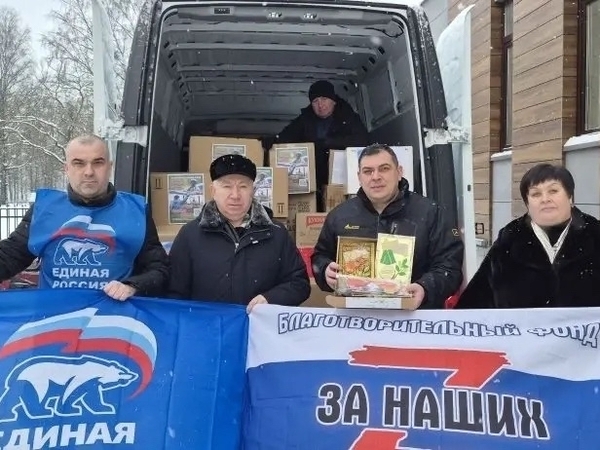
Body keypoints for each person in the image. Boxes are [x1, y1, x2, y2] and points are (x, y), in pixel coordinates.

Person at [0, 135, 169, 300]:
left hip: (113, 315)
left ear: (110, 167)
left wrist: (133, 286)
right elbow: (11, 255)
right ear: (66, 168)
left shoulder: (135, 211)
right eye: (78, 163)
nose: (89, 172)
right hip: (54, 314)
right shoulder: (44, 209)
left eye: (98, 163)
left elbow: (160, 269)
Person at [311, 143, 464, 309]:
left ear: (399, 172)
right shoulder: (339, 216)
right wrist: (325, 271)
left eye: (384, 169)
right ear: (359, 177)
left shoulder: (431, 213)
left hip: (415, 317)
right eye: (368, 171)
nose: (375, 177)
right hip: (357, 317)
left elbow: (450, 268)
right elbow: (320, 257)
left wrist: (425, 287)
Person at [167, 153, 311, 312]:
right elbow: (174, 293)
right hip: (207, 326)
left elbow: (299, 284)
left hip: (258, 326)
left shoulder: (276, 233)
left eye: (243, 186)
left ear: (253, 190)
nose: (235, 195)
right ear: (213, 190)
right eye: (226, 186)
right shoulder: (190, 235)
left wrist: (271, 298)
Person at [455, 163, 600, 309]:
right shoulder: (509, 239)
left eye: (553, 191)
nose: (545, 199)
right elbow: (475, 301)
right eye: (536, 194)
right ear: (527, 204)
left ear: (570, 197)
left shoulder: (595, 234)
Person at [275, 80, 369, 211]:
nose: (320, 105)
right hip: (315, 179)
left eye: (324, 99)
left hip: (343, 178)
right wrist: (266, 142)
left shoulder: (349, 117)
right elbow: (284, 138)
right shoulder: (305, 119)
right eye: (315, 101)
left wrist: (328, 143)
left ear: (333, 100)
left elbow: (362, 141)